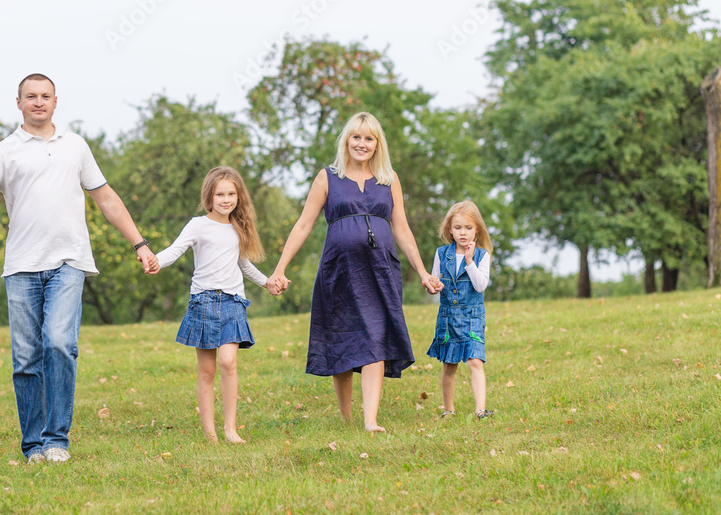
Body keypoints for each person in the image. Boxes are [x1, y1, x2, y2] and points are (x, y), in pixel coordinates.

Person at [0, 73, 159, 465]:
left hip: (69, 261)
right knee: (27, 357)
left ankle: (56, 441)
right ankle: (33, 445)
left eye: (45, 96)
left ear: (55, 101)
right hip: (21, 267)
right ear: (18, 103)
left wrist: (140, 243)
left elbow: (106, 198)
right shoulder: (4, 152)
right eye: (30, 96)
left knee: (59, 344)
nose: (38, 102)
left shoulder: (76, 147)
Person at [266, 112, 442, 432]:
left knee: (375, 336)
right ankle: (347, 417)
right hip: (339, 270)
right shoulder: (328, 177)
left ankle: (370, 420)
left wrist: (423, 272)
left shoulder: (389, 179)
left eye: (369, 138)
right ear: (347, 140)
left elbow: (401, 228)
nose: (362, 144)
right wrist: (280, 268)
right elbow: (304, 224)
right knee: (342, 338)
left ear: (378, 144)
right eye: (356, 137)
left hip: (380, 270)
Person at [152, 166, 267, 444]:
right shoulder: (197, 225)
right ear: (209, 197)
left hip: (232, 303)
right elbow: (175, 249)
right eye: (220, 194)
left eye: (231, 194)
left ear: (238, 197)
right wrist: (155, 260)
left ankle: (230, 429)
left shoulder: (238, 229)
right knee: (207, 371)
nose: (226, 199)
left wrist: (267, 282)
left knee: (229, 362)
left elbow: (244, 264)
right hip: (203, 302)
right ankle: (210, 433)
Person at [426, 200, 494, 420]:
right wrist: (432, 287)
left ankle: (480, 410)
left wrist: (469, 261)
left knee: (475, 361)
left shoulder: (482, 256)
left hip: (472, 318)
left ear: (477, 230)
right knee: (450, 365)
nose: (463, 233)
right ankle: (449, 409)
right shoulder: (441, 254)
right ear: (449, 230)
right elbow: (434, 284)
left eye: (468, 228)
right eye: (457, 228)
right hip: (448, 320)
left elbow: (480, 285)